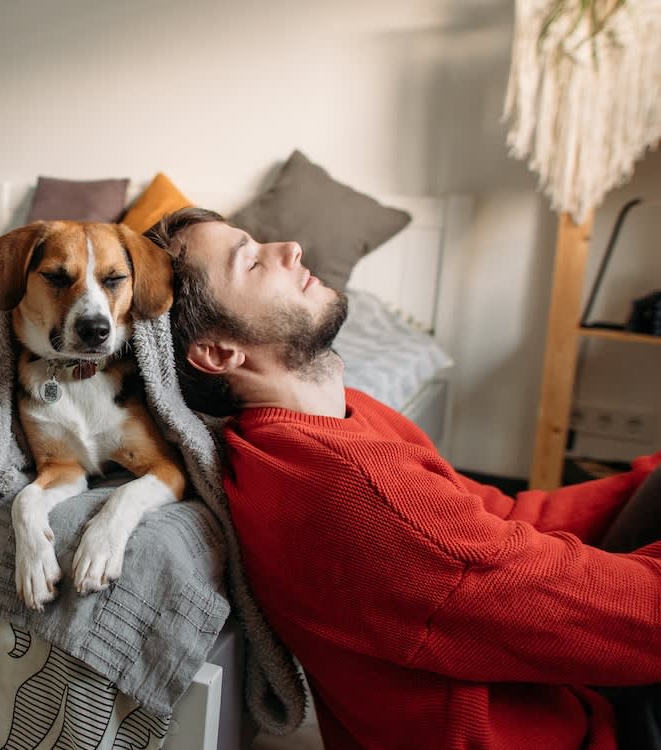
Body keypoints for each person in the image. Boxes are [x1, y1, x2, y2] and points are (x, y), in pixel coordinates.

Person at [147, 207, 661, 750]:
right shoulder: (352, 491)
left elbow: (500, 520)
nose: (290, 247)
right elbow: (640, 621)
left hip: (571, 697)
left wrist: (645, 477)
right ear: (220, 352)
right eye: (250, 263)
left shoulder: (330, 423)